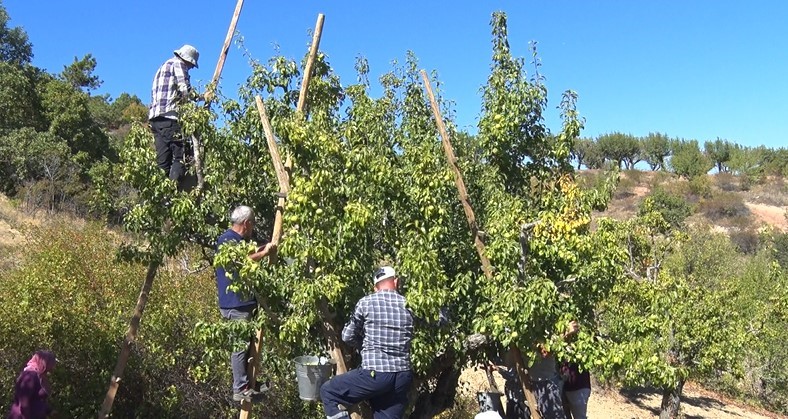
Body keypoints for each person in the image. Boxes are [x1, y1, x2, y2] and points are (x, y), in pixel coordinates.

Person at [320, 266, 414, 419]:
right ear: (396, 282)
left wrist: (363, 345)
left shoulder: (366, 303)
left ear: (375, 288)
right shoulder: (409, 304)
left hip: (375, 374)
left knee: (329, 392)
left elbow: (347, 336)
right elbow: (440, 321)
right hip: (402, 377)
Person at [215, 205, 274, 403]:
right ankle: (240, 388)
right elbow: (242, 262)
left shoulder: (238, 241)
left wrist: (264, 248)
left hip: (243, 303)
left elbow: (247, 253)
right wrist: (263, 254)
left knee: (249, 346)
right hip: (235, 304)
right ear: (246, 223)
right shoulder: (226, 240)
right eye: (252, 224)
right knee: (239, 346)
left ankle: (249, 382)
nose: (252, 228)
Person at [148, 44, 200, 183]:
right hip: (170, 117)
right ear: (187, 60)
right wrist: (201, 97)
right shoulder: (179, 65)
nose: (190, 68)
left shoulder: (163, 67)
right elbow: (185, 91)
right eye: (191, 65)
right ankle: (174, 193)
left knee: (163, 160)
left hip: (156, 119)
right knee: (181, 157)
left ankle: (161, 195)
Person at [7, 350, 57, 419]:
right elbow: (24, 402)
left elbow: (37, 399)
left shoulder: (40, 376)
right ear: (44, 362)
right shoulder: (30, 376)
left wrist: (49, 411)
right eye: (51, 363)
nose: (52, 367)